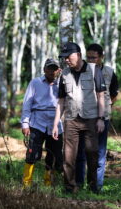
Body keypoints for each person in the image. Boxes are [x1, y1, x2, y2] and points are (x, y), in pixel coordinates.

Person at [52, 42, 106, 194]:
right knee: (68, 156)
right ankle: (69, 186)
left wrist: (101, 118)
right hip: (71, 120)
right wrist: (56, 123)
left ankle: (93, 186)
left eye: (68, 57)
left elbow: (101, 96)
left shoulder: (94, 70)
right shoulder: (64, 74)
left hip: (91, 119)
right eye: (64, 58)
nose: (66, 60)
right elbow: (61, 101)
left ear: (78, 55)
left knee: (92, 153)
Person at [75, 43, 119, 191]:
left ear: (101, 57)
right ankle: (79, 183)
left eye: (94, 57)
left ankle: (96, 186)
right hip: (83, 117)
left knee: (99, 153)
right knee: (81, 152)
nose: (91, 60)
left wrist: (104, 109)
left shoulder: (110, 73)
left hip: (102, 119)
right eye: (88, 57)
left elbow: (113, 95)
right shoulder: (81, 70)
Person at [21, 58, 63, 188]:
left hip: (55, 123)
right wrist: (25, 123)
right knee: (32, 153)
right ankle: (26, 183)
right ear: (44, 69)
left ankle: (48, 182)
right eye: (49, 68)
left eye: (55, 69)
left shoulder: (62, 84)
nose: (52, 71)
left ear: (59, 71)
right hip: (37, 122)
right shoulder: (35, 83)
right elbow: (27, 103)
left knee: (53, 154)